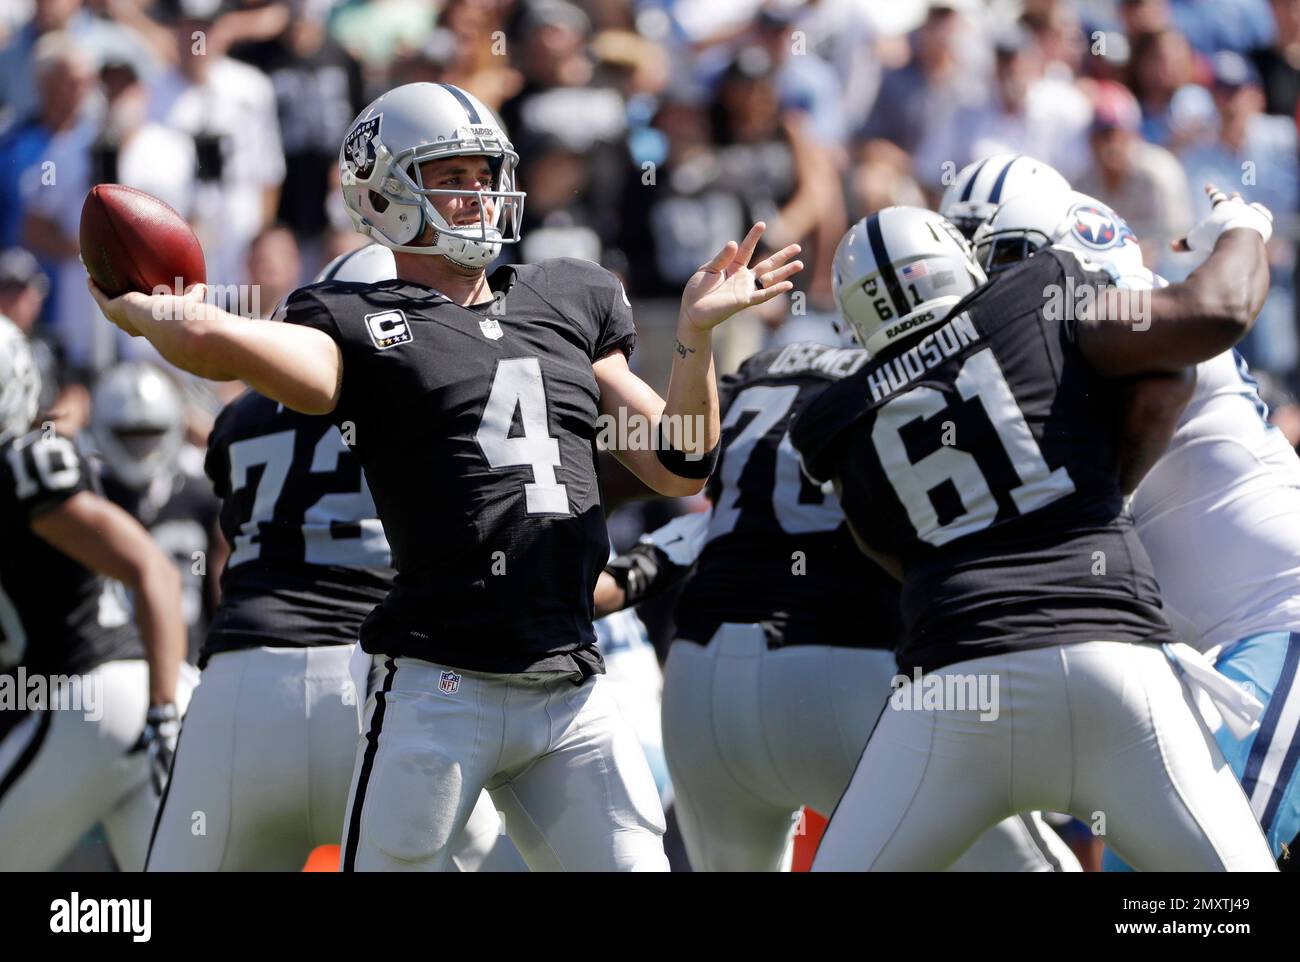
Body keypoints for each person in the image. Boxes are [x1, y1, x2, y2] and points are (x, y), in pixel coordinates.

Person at [90, 81, 801, 871]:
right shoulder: (358, 321)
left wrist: (695, 337)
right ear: (382, 194)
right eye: (452, 177)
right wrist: (153, 311)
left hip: (569, 682)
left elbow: (679, 462)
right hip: (437, 687)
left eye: (485, 173)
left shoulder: (568, 294)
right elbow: (220, 344)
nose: (479, 195)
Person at [789, 195, 1277, 870]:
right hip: (1111, 664)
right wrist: (1244, 227)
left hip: (952, 690)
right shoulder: (1035, 294)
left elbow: (887, 553)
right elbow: (1203, 332)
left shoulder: (834, 420)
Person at [598, 336, 1081, 872]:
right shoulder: (916, 370)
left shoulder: (761, 368)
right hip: (842, 670)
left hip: (701, 682)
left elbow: (678, 473)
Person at [0, 315, 192, 871]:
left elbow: (152, 569)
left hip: (100, 694)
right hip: (118, 706)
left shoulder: (25, 463)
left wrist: (162, 713)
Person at [90, 362, 221, 663]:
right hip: (108, 666)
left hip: (189, 662)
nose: (140, 448)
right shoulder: (86, 494)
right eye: (128, 435)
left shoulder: (202, 494)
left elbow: (219, 587)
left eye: (149, 434)